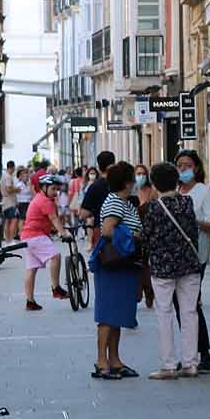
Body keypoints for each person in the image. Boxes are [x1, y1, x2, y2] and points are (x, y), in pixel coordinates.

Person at [140, 161, 203, 379]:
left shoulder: (153, 207)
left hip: (163, 267)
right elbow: (192, 231)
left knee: (164, 313)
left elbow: (146, 238)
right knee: (189, 312)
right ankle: (191, 363)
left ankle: (168, 365)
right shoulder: (187, 202)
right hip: (189, 264)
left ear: (154, 184)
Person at [91, 161, 144, 380]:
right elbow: (108, 230)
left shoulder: (124, 202)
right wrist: (134, 237)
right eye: (132, 178)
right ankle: (102, 360)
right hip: (113, 262)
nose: (135, 182)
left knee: (117, 313)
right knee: (107, 313)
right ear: (126, 182)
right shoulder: (115, 202)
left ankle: (115, 359)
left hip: (124, 263)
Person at [174, 149, 210, 373]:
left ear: (197, 168)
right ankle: (190, 353)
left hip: (195, 256)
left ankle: (203, 354)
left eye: (187, 165)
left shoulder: (203, 192)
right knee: (180, 305)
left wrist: (194, 222)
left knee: (190, 305)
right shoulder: (173, 191)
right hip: (173, 257)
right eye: (180, 165)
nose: (183, 169)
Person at [22, 174, 70, 311]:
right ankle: (56, 288)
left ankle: (30, 302)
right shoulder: (45, 201)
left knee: (31, 269)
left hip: (28, 236)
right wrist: (63, 233)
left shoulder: (39, 198)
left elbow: (47, 220)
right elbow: (54, 219)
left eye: (57, 189)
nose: (56, 192)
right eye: (53, 189)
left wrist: (55, 230)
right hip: (35, 235)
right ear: (44, 188)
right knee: (56, 256)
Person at [79, 151, 117, 232]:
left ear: (99, 167)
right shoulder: (121, 184)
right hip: (120, 230)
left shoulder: (94, 187)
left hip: (101, 229)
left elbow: (83, 214)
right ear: (114, 164)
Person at [1, 160, 22, 241]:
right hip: (10, 201)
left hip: (5, 200)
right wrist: (17, 189)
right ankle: (10, 239)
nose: (14, 170)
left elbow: (3, 189)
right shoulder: (8, 176)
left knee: (7, 220)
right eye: (14, 168)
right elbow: (8, 189)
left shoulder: (3, 175)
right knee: (14, 220)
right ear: (12, 167)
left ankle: (7, 239)